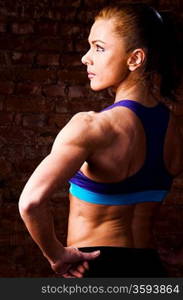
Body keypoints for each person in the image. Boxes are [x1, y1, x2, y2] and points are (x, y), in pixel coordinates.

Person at [18, 2, 183, 278]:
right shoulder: (177, 127)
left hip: (94, 271)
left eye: (99, 47)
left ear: (135, 59)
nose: (86, 57)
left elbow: (30, 202)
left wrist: (56, 255)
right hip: (150, 271)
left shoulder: (92, 127)